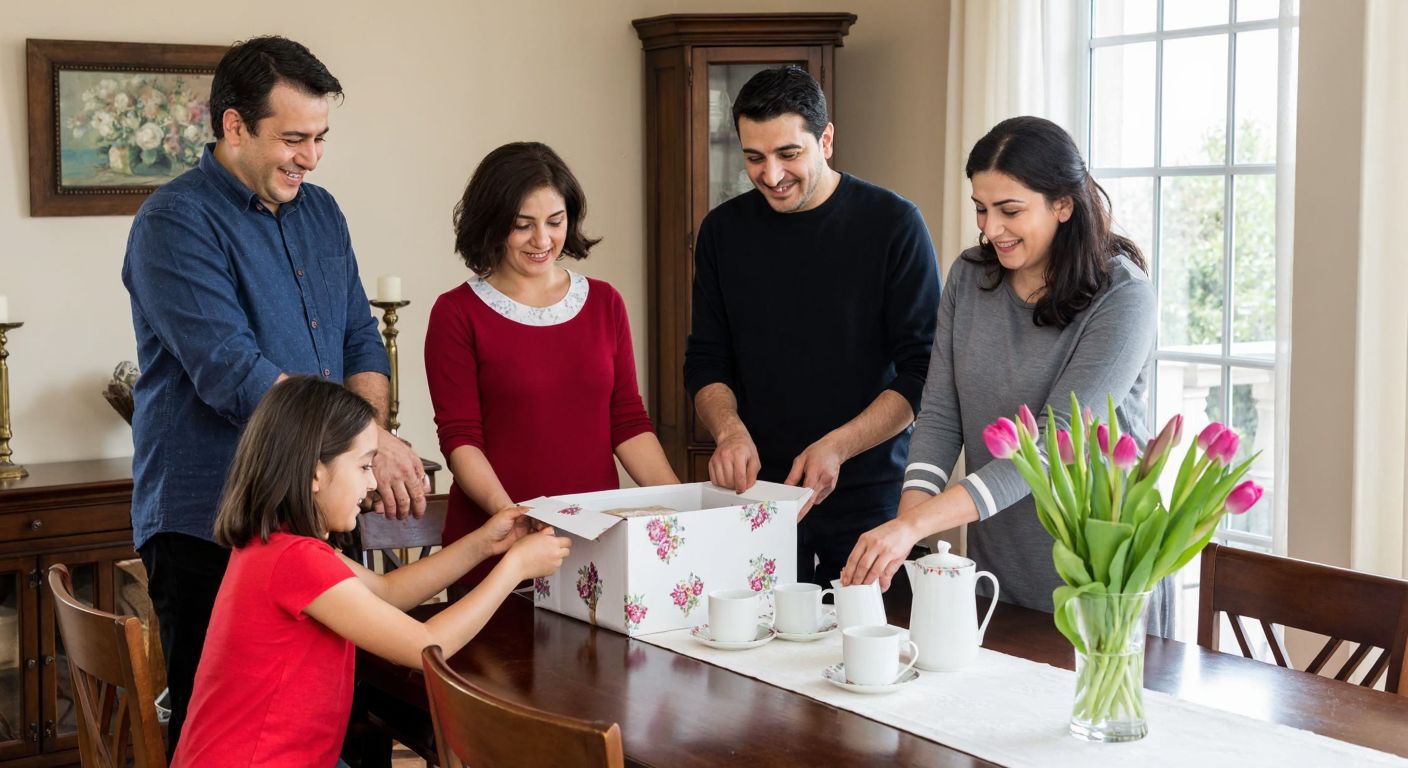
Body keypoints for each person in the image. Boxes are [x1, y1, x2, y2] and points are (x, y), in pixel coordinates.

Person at [121, 36, 427, 753]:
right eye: (293, 138)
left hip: (317, 510)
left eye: (320, 137)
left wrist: (365, 438)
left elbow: (359, 340)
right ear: (233, 126)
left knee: (344, 728)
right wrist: (370, 443)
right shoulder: (173, 223)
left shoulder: (322, 213)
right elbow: (236, 374)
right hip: (210, 523)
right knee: (227, 739)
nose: (311, 157)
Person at [841, 116, 1171, 635]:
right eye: (981, 209)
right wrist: (905, 533)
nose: (991, 228)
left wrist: (912, 526)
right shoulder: (971, 278)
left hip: (1102, 576)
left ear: (1063, 205)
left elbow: (1048, 447)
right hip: (1000, 572)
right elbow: (942, 416)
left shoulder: (1123, 298)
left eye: (1009, 210)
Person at [171, 377, 571, 768]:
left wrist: (485, 543)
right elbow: (427, 645)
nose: (373, 482)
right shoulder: (298, 561)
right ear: (315, 473)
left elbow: (388, 590)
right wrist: (514, 566)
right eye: (364, 466)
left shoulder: (277, 547)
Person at [683, 66, 941, 590]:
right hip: (759, 495)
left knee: (870, 657)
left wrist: (839, 446)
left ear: (826, 139)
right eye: (753, 157)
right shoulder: (722, 232)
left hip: (870, 491)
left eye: (788, 154)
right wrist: (729, 432)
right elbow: (706, 360)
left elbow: (922, 373)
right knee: (756, 656)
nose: (771, 175)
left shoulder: (894, 225)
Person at [426, 142, 678, 585]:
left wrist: (681, 507)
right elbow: (461, 440)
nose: (542, 241)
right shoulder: (456, 313)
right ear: (492, 224)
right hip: (498, 548)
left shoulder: (604, 302)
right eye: (523, 226)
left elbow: (627, 421)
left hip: (594, 546)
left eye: (555, 222)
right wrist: (512, 519)